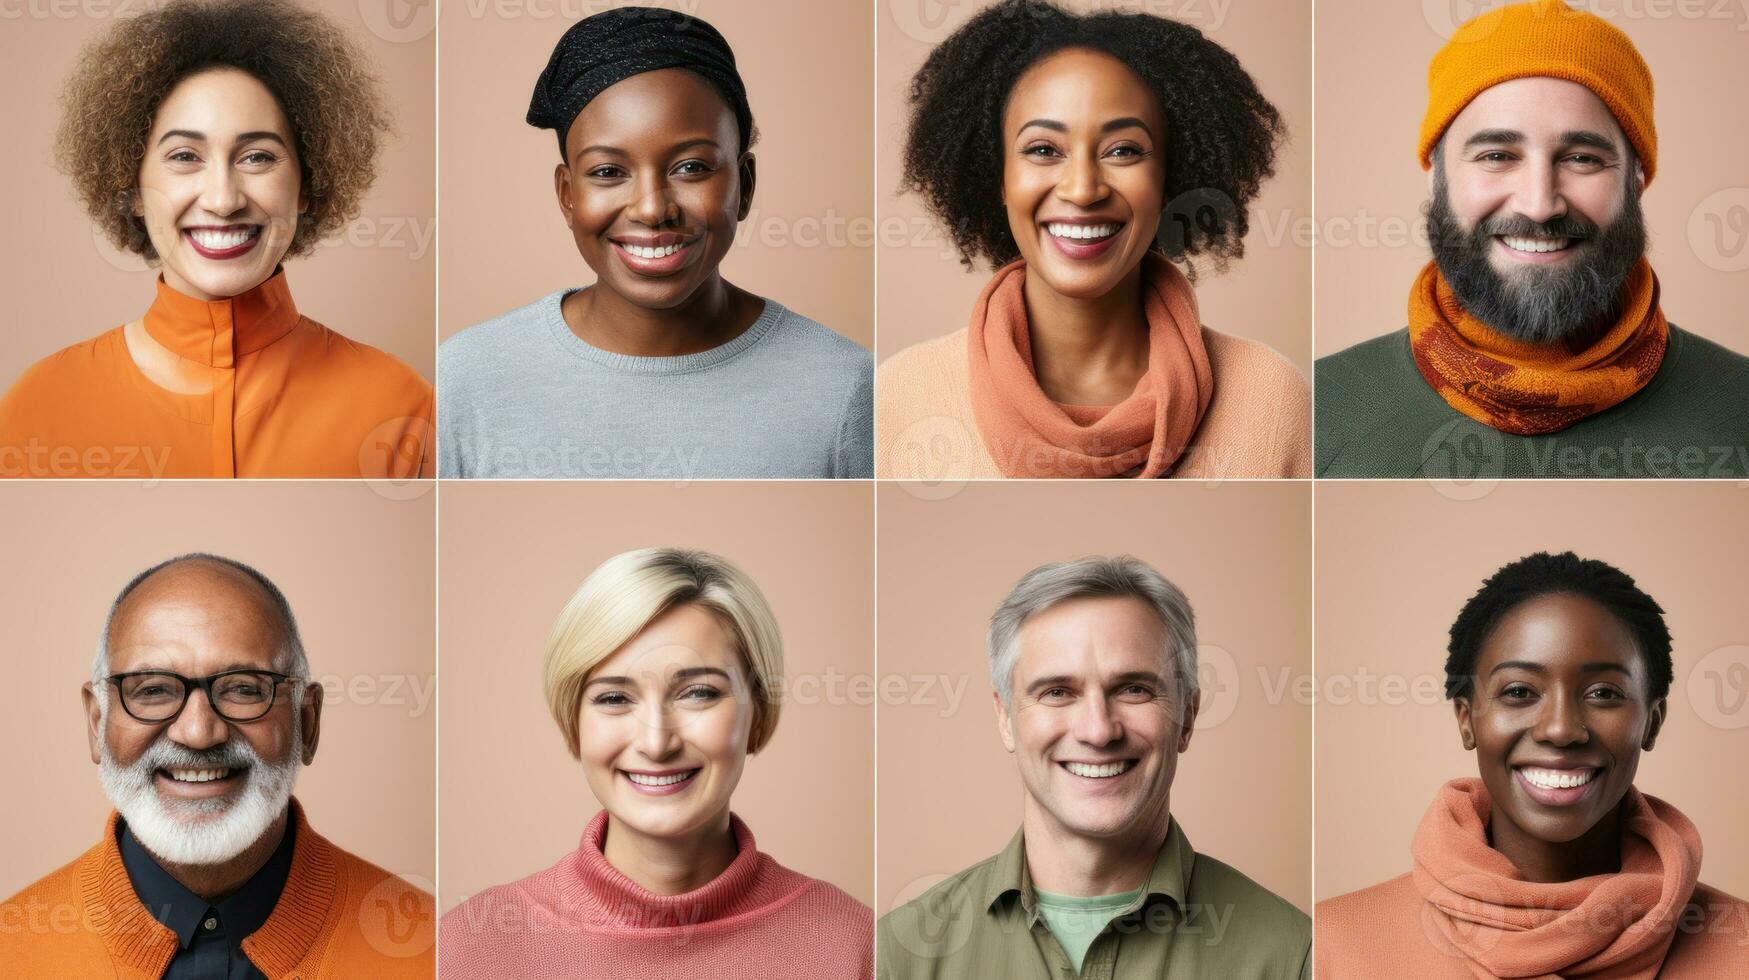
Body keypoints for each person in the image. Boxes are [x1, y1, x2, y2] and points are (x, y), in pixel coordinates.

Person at [876, 0, 1309, 480]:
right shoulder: (898, 397)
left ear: (1170, 178)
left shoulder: (1270, 397)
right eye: (1043, 150)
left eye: (1123, 150)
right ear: (997, 177)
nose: (1083, 189)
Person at [0, 0, 433, 479]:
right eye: (185, 156)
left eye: (257, 158)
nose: (224, 199)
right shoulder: (39, 407)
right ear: (133, 188)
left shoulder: (402, 407)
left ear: (307, 185)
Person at [1316, 0, 1749, 478]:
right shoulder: (1317, 408)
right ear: (1436, 176)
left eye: (1582, 158)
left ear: (1636, 180)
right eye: (1497, 155)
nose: (1540, 205)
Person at [438, 7, 873, 479]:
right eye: (608, 172)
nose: (652, 208)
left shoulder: (844, 384)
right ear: (568, 195)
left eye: (691, 167)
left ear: (744, 185)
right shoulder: (465, 377)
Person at [439, 547, 872, 978]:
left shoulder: (857, 946)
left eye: (698, 693)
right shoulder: (465, 948)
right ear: (574, 723)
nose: (656, 742)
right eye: (614, 698)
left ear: (757, 713)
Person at [1317, 551, 1749, 978]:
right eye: (1520, 692)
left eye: (1603, 693)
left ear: (1651, 723)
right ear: (1466, 720)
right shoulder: (1332, 946)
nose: (1561, 730)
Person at [0, 553, 434, 977]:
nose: (198, 732)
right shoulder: (10, 951)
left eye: (243, 689)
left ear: (308, 722)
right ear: (97, 724)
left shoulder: (433, 949)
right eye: (152, 690)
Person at [878, 556, 1309, 978]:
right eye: (1058, 692)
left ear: (1188, 716)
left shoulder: (1295, 956)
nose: (1099, 731)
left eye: (1134, 689)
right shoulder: (898, 956)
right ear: (1005, 719)